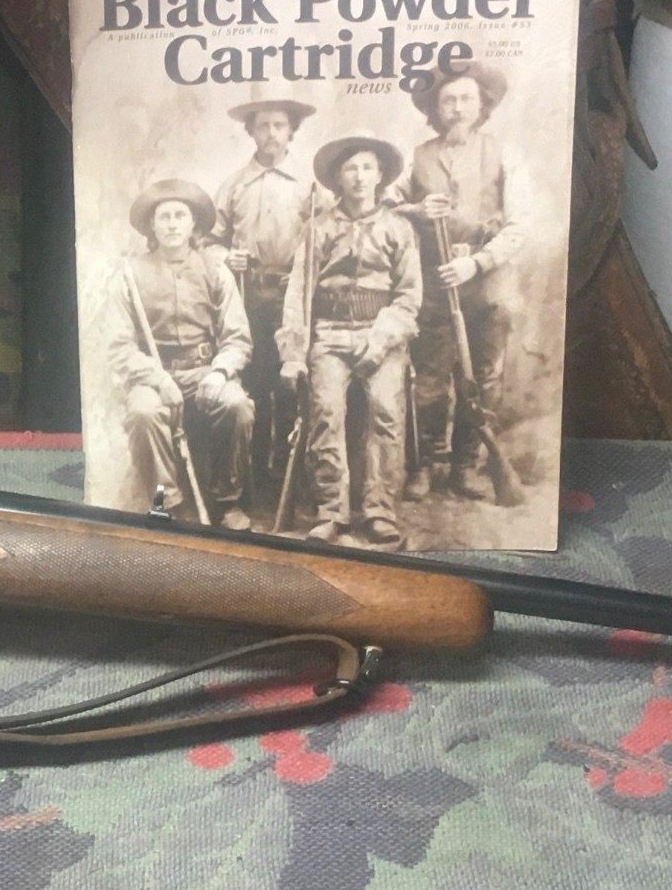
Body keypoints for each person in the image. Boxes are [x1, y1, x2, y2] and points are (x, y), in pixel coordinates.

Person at [279, 138, 420, 546]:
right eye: (350, 169)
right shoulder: (319, 228)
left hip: (383, 335)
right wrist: (293, 354)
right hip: (330, 333)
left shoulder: (399, 228)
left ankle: (380, 510)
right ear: (338, 178)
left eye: (367, 168)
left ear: (380, 176)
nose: (359, 177)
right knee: (326, 410)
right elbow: (298, 294)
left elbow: (409, 297)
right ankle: (330, 509)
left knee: (386, 409)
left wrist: (381, 339)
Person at [400, 61, 524, 505]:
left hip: (487, 286)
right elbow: (385, 207)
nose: (456, 108)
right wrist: (417, 211)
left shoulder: (503, 154)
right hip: (434, 285)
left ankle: (465, 467)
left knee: (483, 380)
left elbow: (521, 226)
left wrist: (477, 262)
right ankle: (426, 466)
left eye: (466, 99)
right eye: (448, 100)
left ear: (481, 105)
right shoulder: (417, 157)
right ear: (435, 108)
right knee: (429, 379)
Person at [103, 178, 255, 526]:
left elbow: (237, 337)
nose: (172, 224)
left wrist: (219, 373)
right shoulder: (130, 274)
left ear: (193, 224)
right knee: (143, 412)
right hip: (153, 375)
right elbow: (119, 344)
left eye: (180, 216)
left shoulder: (215, 270)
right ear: (152, 226)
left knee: (237, 405)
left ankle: (227, 501)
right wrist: (157, 379)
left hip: (205, 371)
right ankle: (165, 502)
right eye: (164, 217)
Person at [212, 98, 314, 509]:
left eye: (280, 125)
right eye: (263, 126)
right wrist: (226, 257)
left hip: (293, 298)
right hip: (248, 297)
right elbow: (210, 239)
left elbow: (328, 234)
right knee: (254, 383)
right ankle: (252, 477)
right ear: (251, 131)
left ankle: (289, 475)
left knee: (291, 385)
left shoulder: (309, 185)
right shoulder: (235, 185)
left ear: (291, 131)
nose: (271, 133)